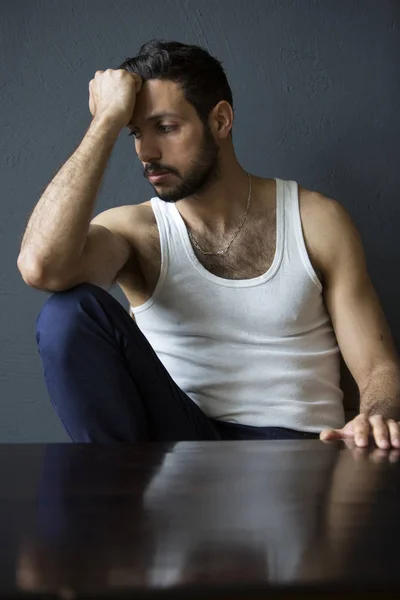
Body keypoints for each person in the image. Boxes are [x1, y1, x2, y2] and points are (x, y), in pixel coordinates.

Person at [18, 40, 400, 446]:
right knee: (67, 313)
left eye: (165, 128)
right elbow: (41, 267)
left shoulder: (315, 220)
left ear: (220, 121)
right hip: (182, 449)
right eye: (135, 133)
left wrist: (376, 417)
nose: (146, 152)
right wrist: (105, 122)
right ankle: (116, 499)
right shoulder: (135, 230)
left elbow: (378, 368)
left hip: (298, 452)